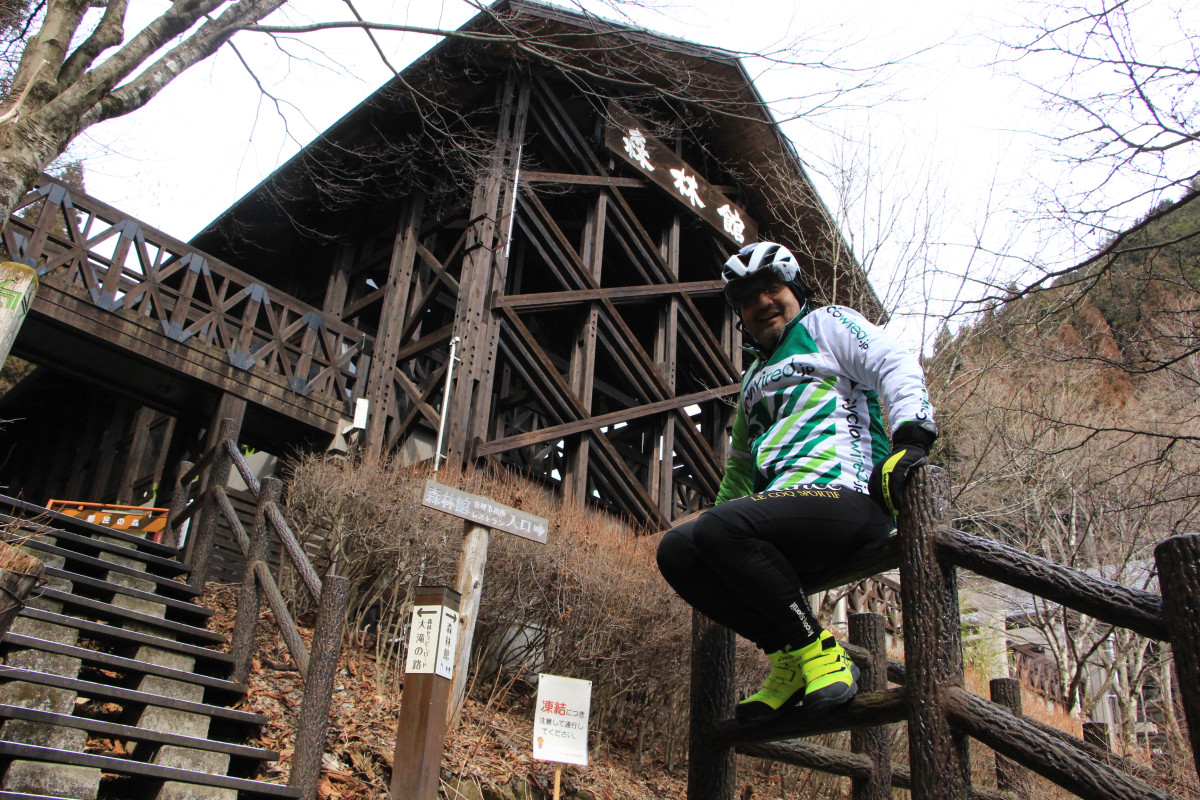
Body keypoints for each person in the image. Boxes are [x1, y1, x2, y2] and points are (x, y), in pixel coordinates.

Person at [656, 241, 936, 722]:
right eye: (748, 297)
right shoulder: (752, 381)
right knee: (677, 551)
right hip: (783, 519)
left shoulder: (827, 325)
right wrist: (708, 531)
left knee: (720, 528)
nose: (762, 302)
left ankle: (818, 651)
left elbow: (894, 362)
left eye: (772, 288)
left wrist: (911, 438)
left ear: (795, 289)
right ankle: (788, 655)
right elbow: (740, 472)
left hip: (846, 499)